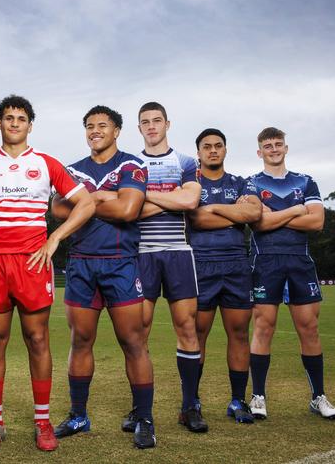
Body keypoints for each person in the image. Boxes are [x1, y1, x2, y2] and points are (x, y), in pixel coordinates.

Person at [0, 95, 95, 452]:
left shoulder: (46, 163)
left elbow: (86, 203)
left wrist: (55, 237)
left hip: (32, 261)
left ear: (30, 125)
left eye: (21, 118)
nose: (14, 123)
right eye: (8, 118)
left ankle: (42, 421)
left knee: (37, 339)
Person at [51, 106, 156, 448]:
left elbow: (129, 209)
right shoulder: (72, 169)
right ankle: (79, 415)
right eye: (89, 126)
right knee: (80, 341)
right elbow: (57, 210)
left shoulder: (131, 165)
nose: (95, 130)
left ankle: (144, 418)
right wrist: (103, 198)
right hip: (81, 264)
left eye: (103, 125)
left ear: (116, 131)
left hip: (120, 263)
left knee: (133, 342)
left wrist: (85, 203)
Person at [248, 127, 335, 420]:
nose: (273, 149)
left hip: (300, 262)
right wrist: (295, 210)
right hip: (265, 262)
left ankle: (318, 397)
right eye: (267, 145)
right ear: (259, 151)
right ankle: (258, 396)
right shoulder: (251, 184)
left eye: (278, 144)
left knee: (309, 329)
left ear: (286, 148)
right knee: (264, 327)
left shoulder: (306, 181)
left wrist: (275, 214)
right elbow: (258, 224)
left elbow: (316, 222)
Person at [130, 101, 207, 432]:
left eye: (156, 120)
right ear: (139, 128)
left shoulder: (186, 161)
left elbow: (190, 202)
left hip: (178, 252)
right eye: (145, 122)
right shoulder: (131, 164)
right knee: (138, 333)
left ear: (167, 124)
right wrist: (170, 196)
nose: (151, 126)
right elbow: (130, 211)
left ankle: (190, 406)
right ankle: (139, 410)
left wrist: (149, 197)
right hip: (142, 253)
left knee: (187, 328)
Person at [187, 128, 262, 423]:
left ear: (226, 150)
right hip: (201, 264)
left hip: (236, 265)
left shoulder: (241, 183)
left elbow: (253, 214)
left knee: (239, 333)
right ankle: (192, 402)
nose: (213, 150)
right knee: (197, 334)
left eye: (218, 146)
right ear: (199, 153)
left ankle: (237, 401)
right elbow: (196, 218)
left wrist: (215, 209)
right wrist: (233, 212)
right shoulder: (191, 184)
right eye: (207, 146)